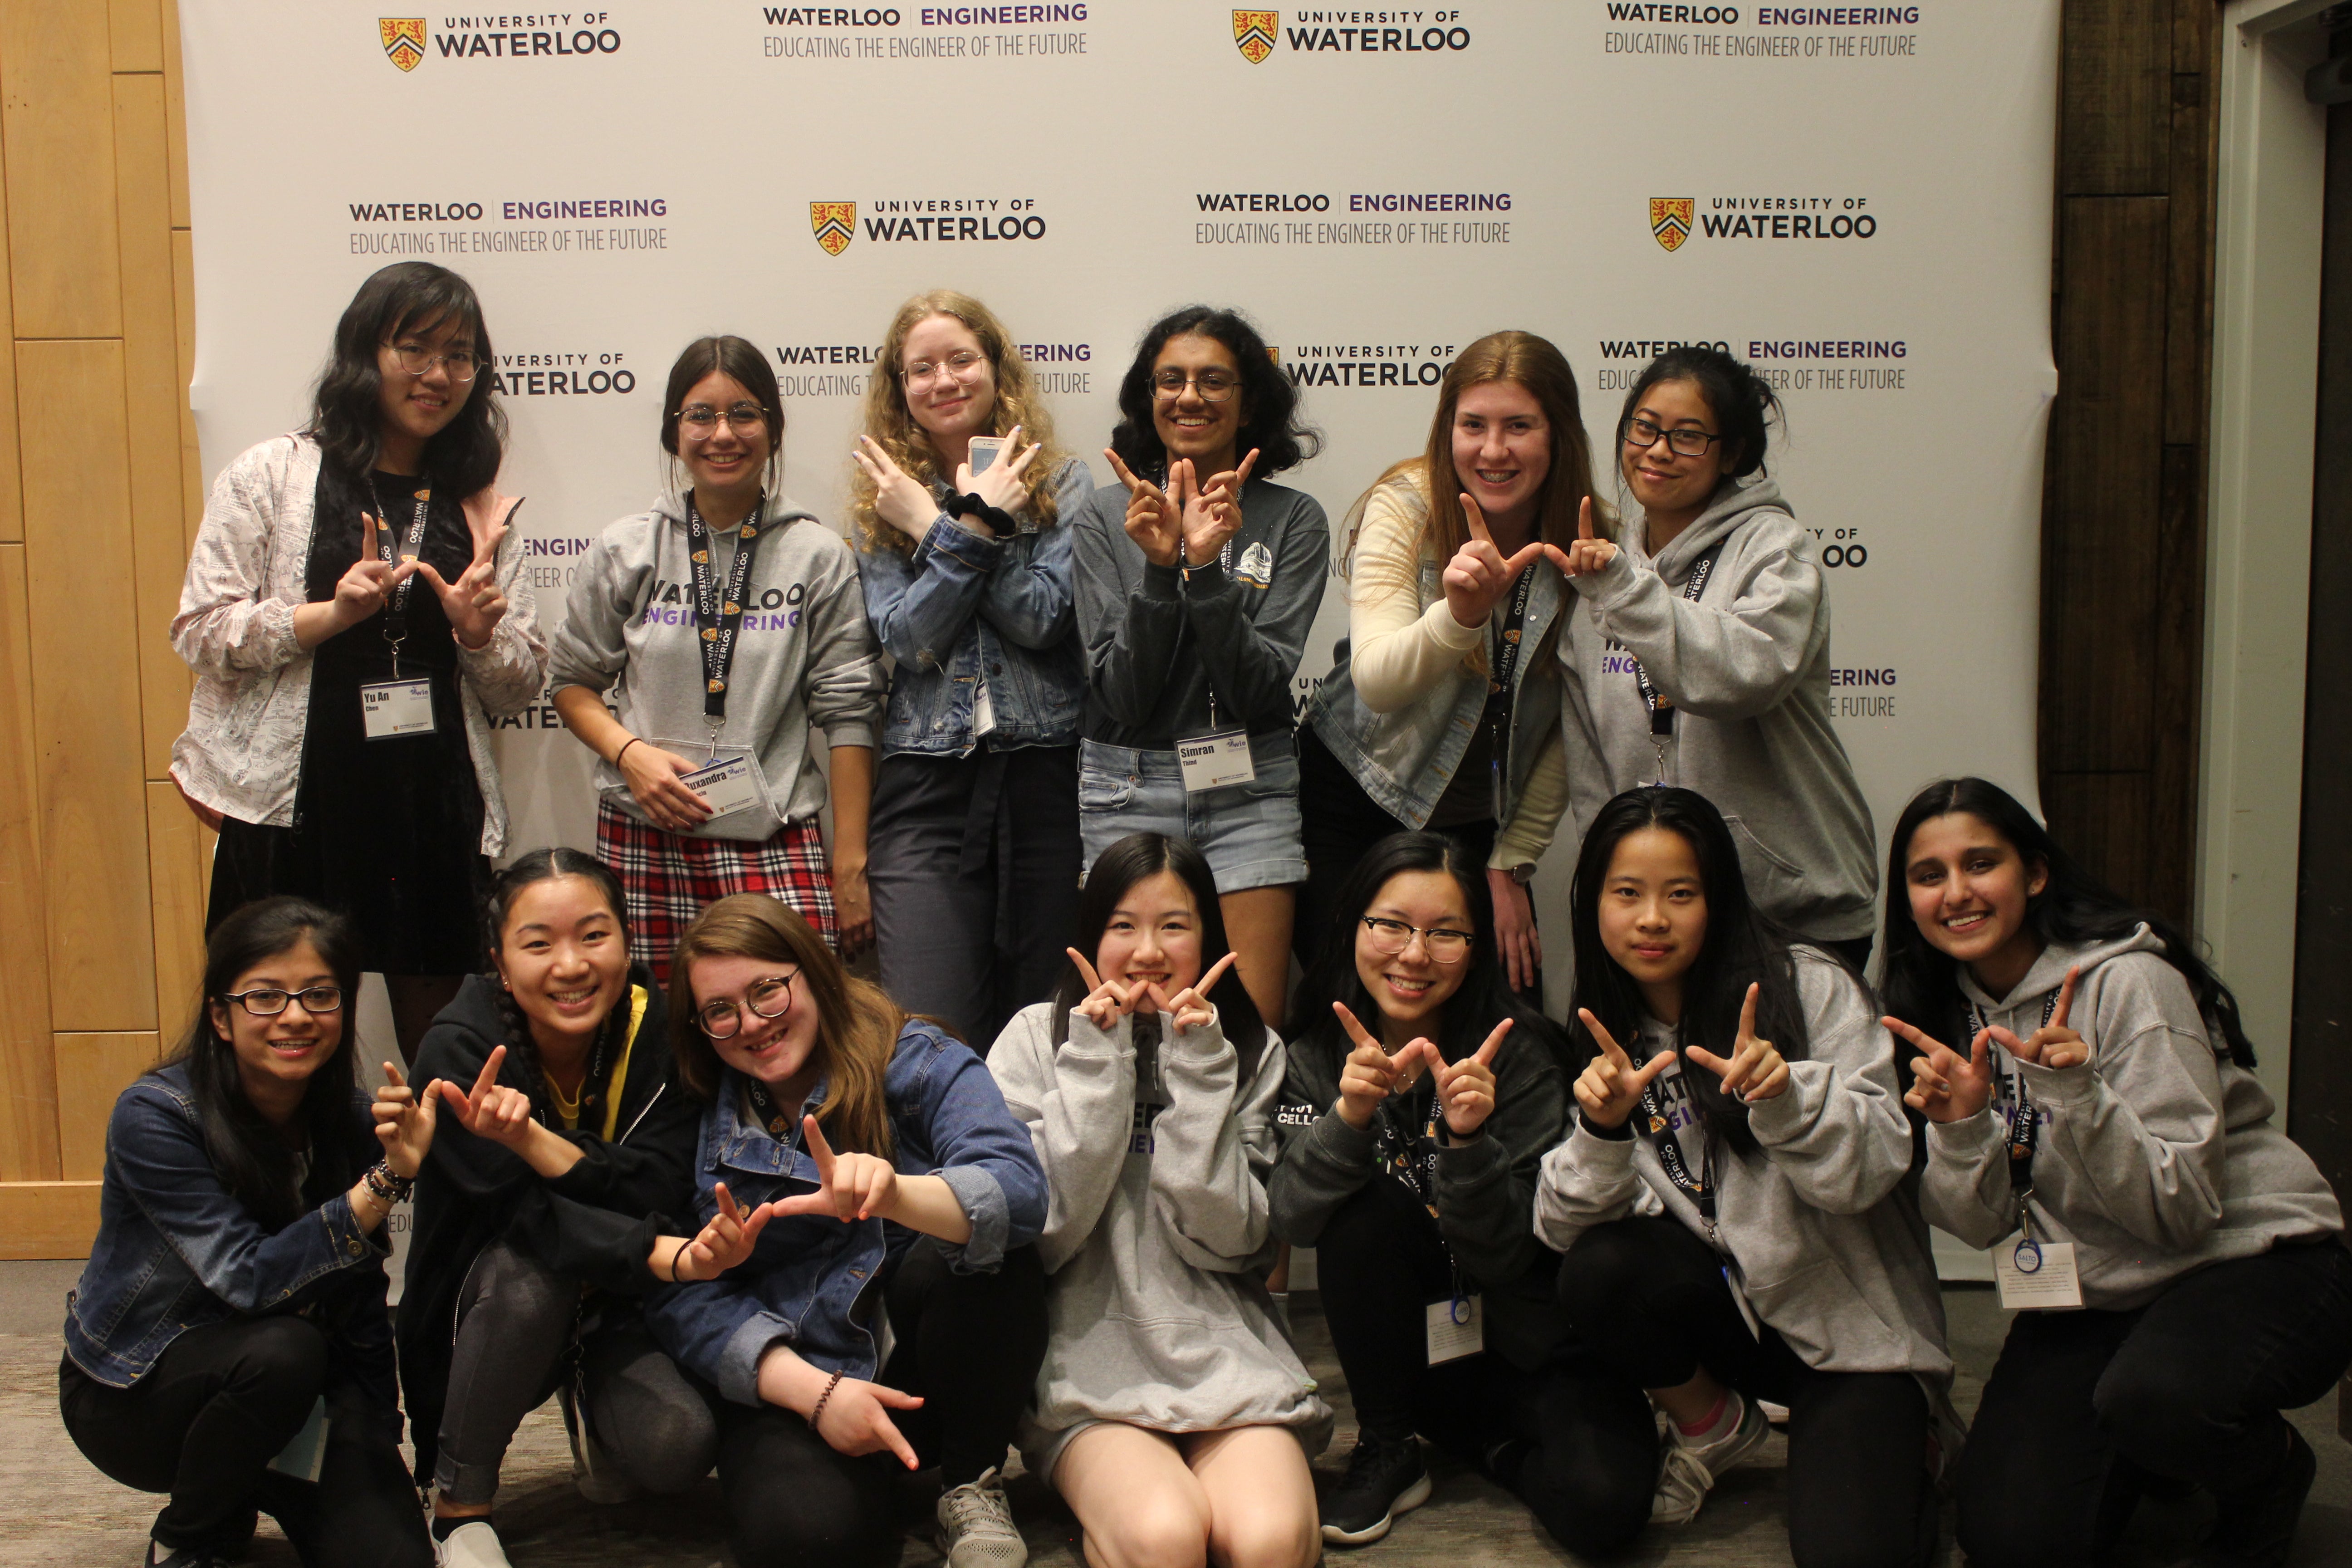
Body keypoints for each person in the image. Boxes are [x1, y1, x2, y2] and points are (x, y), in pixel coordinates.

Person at [1882, 778, 2352, 1568]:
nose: (1956, 893)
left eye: (1980, 864)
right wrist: (1963, 1129)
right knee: (2007, 1541)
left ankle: (2266, 1476)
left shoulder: (2130, 981)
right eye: (1930, 876)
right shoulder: (1940, 1014)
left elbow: (2183, 1211)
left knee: (2159, 1398)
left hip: (2248, 1260)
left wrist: (2078, 1096)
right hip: (2098, 1289)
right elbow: (1979, 1225)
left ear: (2034, 874)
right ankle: (2146, 1450)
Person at [1536, 786, 1955, 1567]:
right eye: (1626, 893)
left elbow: (1871, 1172)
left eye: (1680, 894)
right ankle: (1713, 1423)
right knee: (1601, 1268)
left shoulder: (1806, 985)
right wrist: (1599, 1132)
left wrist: (1789, 1099)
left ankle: (1913, 1439)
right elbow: (1561, 1230)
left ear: (1719, 899)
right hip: (1737, 1323)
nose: (1651, 918)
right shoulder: (1607, 1023)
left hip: (1853, 1340)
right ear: (1593, 903)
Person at [170, 261, 543, 1060]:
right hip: (294, 808)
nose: (439, 374)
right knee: (279, 1038)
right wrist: (327, 617)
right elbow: (201, 630)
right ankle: (302, 1191)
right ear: (364, 354)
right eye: (415, 348)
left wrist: (478, 634)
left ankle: (435, 1188)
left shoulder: (480, 500)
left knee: (448, 1049)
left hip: (432, 807)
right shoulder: (274, 473)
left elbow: (520, 685)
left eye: (461, 356)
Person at [1268, 832, 1650, 1553]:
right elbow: (1291, 1216)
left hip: (1531, 1344)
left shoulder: (1524, 1057)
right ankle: (1388, 1444)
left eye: (1446, 934)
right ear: (1353, 926)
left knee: (1606, 1512)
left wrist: (1469, 1145)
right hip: (1412, 1350)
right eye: (1391, 926)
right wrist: (1348, 1120)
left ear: (1476, 948)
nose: (1414, 955)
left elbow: (1510, 1259)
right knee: (1366, 1208)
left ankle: (1488, 1447)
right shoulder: (1315, 1055)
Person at [646, 893, 1050, 1568]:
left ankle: (967, 1482)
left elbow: (1019, 1191)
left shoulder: (916, 1058)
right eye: (721, 1011)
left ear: (814, 971)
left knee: (990, 1252)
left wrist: (897, 1194)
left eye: (768, 991)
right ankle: (871, 1493)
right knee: (807, 1540)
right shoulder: (696, 1110)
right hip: (805, 1379)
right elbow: (676, 1295)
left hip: (934, 1362)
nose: (751, 1024)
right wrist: (816, 1394)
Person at [400, 849, 752, 1568]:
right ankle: (458, 1504)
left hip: (624, 1303)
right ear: (500, 961)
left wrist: (534, 1141)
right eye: (539, 944)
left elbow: (658, 1184)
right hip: (496, 1303)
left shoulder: (665, 1029)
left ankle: (589, 1401)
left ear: (627, 939)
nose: (570, 965)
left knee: (676, 1449)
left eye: (594, 936)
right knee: (536, 1274)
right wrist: (662, 1254)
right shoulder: (459, 1046)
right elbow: (524, 1217)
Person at [61, 897, 438, 1568]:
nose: (296, 1016)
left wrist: (378, 1442)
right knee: (283, 1352)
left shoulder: (354, 1121)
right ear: (221, 1016)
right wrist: (383, 1184)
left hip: (293, 1396)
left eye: (319, 995)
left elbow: (359, 1301)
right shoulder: (156, 1116)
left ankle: (251, 1477)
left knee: (393, 1557)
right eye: (266, 997)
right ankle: (191, 1531)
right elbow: (248, 1278)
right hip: (139, 1397)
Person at [989, 832, 1330, 1568]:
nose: (1148, 951)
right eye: (1123, 926)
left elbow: (1236, 1243)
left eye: (1174, 925)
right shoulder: (1030, 1040)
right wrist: (1095, 1064)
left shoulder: (1250, 1047)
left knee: (1271, 1544)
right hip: (1088, 1365)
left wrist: (1203, 1071)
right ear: (1091, 935)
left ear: (1207, 936)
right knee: (1166, 1538)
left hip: (1223, 1352)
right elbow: (1046, 1235)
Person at [550, 335, 886, 980]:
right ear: (675, 432)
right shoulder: (628, 548)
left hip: (774, 835)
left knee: (789, 1036)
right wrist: (631, 755)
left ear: (774, 429)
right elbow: (571, 682)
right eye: (700, 415)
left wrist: (849, 869)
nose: (722, 434)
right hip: (646, 832)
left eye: (745, 414)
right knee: (657, 1042)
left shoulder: (817, 555)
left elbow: (850, 715)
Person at [1551, 346, 1874, 965]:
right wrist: (1611, 887)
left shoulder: (1776, 550)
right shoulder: (1600, 565)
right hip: (1663, 923)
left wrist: (1624, 590)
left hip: (1790, 913)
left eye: (1688, 436)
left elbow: (1741, 677)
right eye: (1644, 428)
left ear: (1731, 454)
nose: (1658, 450)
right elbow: (1592, 766)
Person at [1298, 331, 1595, 995]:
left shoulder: (1589, 541)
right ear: (1447, 429)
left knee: (1504, 1015)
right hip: (1355, 795)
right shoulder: (1408, 502)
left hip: (1477, 826)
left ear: (1559, 435)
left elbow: (1571, 726)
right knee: (1346, 1005)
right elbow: (1377, 680)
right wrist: (1461, 616)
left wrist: (1509, 862)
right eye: (1474, 425)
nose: (1494, 451)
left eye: (1519, 426)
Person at [849, 289, 1096, 1046]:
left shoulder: (1064, 483)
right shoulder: (883, 498)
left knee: (1044, 1034)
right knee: (931, 1031)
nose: (944, 380)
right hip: (926, 789)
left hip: (1044, 779)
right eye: (921, 368)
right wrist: (963, 523)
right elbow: (910, 641)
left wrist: (941, 530)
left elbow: (1042, 619)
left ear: (996, 369)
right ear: (901, 390)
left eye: (962, 359)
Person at [1071, 306, 1328, 1028]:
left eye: (1215, 380)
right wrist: (1159, 571)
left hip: (1250, 787)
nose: (1190, 396)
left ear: (1249, 403)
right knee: (1127, 1024)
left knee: (1248, 1028)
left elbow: (1257, 687)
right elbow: (1121, 694)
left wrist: (1207, 570)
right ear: (1147, 398)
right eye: (1171, 380)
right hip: (1129, 786)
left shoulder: (1293, 519)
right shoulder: (1103, 516)